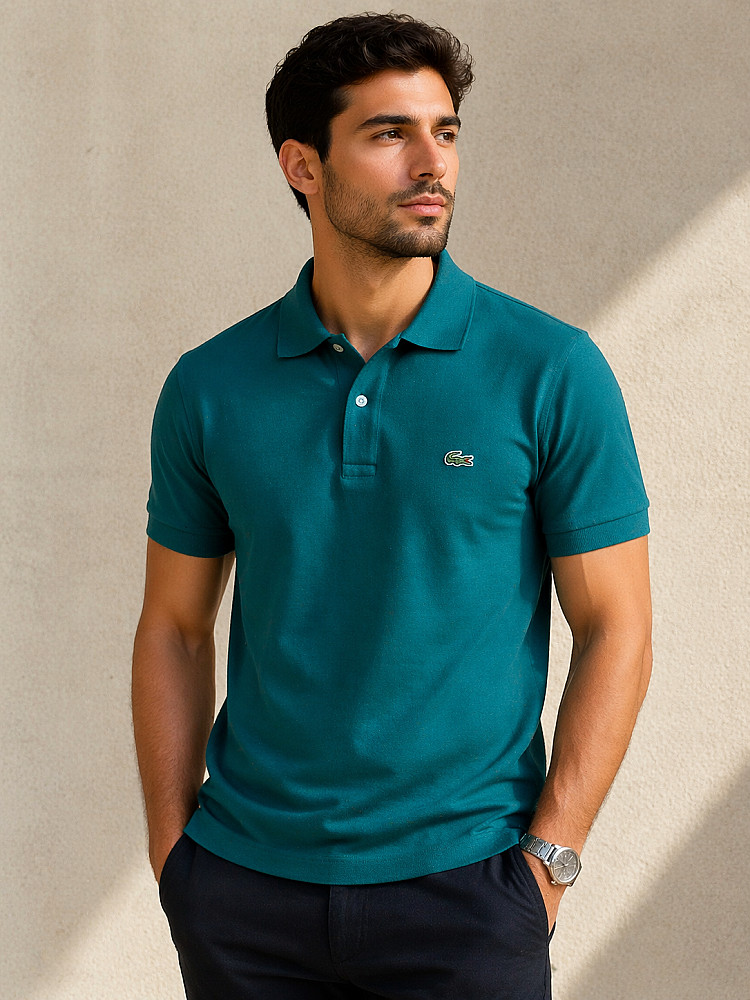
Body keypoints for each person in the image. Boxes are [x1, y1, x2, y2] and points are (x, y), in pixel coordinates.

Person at [132, 12, 652, 1000]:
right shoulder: (210, 386)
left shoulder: (550, 371)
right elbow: (174, 626)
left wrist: (549, 865)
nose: (431, 163)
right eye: (389, 133)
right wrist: (175, 854)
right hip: (244, 897)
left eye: (445, 132)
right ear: (303, 166)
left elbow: (616, 625)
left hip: (468, 893)